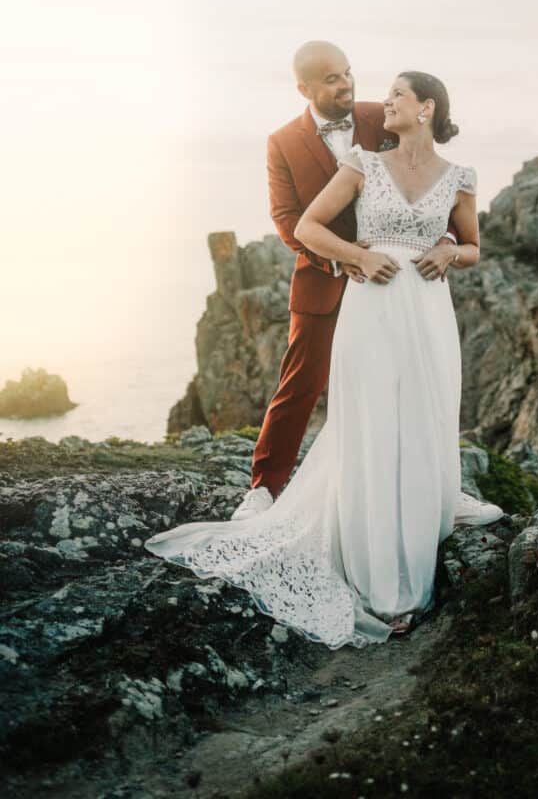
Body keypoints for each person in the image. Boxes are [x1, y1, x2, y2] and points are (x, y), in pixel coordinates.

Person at [144, 70, 504, 648]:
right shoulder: (363, 163)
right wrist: (355, 258)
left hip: (428, 313)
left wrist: (448, 250)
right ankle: (383, 584)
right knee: (371, 423)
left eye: (396, 96)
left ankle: (422, 525)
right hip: (371, 305)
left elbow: (473, 246)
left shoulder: (461, 178)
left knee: (422, 418)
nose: (382, 101)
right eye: (383, 95)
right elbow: (308, 226)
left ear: (426, 108)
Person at [228, 41, 460, 518]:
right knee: (300, 385)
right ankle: (263, 490)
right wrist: (343, 261)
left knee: (413, 382)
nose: (346, 84)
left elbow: (432, 185)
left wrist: (449, 241)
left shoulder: (387, 115)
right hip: (324, 279)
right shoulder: (282, 142)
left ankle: (430, 492)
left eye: (348, 73)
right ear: (305, 88)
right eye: (332, 79)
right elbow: (288, 218)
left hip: (397, 283)